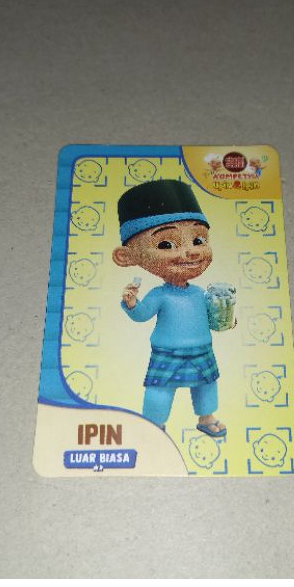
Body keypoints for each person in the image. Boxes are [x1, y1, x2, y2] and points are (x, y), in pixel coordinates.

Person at [112, 179, 235, 436]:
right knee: (159, 389)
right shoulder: (159, 295)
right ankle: (154, 425)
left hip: (202, 348)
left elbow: (212, 319)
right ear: (127, 257)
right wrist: (132, 303)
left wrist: (226, 320)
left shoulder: (201, 293)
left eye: (199, 240)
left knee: (207, 385)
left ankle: (206, 418)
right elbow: (142, 315)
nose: (192, 252)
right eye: (166, 244)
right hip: (167, 351)